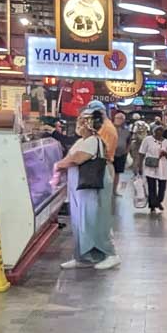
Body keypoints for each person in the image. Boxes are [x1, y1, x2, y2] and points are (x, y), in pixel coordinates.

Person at [52, 112, 120, 271]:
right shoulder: (82, 141)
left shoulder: (92, 141)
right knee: (81, 223)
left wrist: (58, 165)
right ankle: (84, 257)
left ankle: (110, 255)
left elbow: (77, 158)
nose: (78, 125)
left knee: (94, 221)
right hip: (80, 189)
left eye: (81, 122)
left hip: (90, 188)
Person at [138, 124, 167, 214]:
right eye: (157, 130)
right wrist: (139, 166)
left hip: (162, 166)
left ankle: (159, 201)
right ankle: (152, 205)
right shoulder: (147, 140)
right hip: (150, 165)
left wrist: (165, 154)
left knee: (162, 186)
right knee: (151, 186)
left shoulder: (166, 142)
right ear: (153, 131)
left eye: (161, 130)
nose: (159, 132)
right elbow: (141, 153)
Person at [111, 111, 130, 195]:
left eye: (121, 118)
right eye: (117, 118)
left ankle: (114, 190)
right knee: (109, 172)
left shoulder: (126, 130)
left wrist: (126, 151)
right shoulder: (110, 128)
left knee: (117, 173)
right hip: (110, 154)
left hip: (121, 154)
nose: (119, 120)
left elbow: (129, 141)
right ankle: (108, 190)